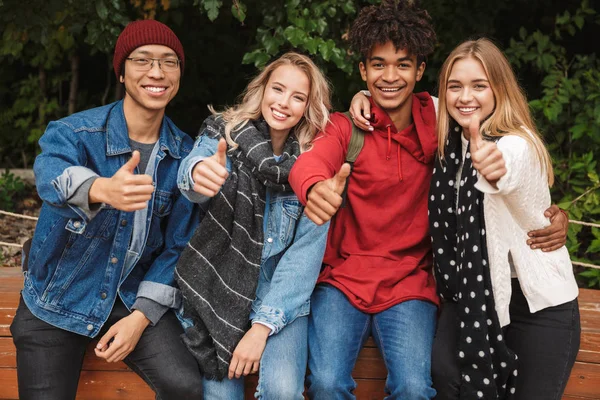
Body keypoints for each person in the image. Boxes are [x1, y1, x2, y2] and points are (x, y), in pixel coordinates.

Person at [290, 1, 570, 399]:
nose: (390, 76)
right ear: (363, 71)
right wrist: (315, 187)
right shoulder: (345, 125)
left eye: (403, 65)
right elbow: (310, 162)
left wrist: (553, 215)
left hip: (411, 283)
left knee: (414, 387)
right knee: (326, 382)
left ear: (420, 71)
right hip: (343, 281)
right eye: (378, 65)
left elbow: (513, 158)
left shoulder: (441, 119)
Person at [10, 20, 203, 400]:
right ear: (121, 71)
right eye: (142, 60)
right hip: (57, 295)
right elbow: (50, 176)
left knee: (185, 386)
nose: (157, 72)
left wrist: (141, 318)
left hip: (130, 296)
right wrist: (101, 189)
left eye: (169, 62)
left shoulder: (184, 153)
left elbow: (177, 247)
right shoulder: (75, 132)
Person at [428, 38, 580, 400]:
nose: (466, 97)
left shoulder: (517, 144)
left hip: (538, 305)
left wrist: (493, 167)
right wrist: (361, 97)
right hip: (473, 294)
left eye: (479, 86)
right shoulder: (451, 134)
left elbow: (507, 167)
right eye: (455, 86)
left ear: (499, 89)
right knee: (446, 378)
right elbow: (401, 99)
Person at [175, 52, 331, 399]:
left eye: (298, 97)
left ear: (308, 106)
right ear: (262, 89)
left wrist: (261, 328)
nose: (284, 103)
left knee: (281, 392)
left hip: (280, 299)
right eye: (278, 89)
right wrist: (199, 175)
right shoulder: (225, 134)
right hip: (218, 287)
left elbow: (303, 260)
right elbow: (193, 170)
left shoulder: (315, 161)